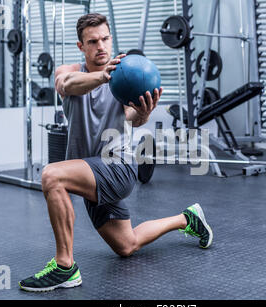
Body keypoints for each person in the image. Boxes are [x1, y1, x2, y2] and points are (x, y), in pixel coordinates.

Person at [18, 13, 213, 292]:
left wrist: (144, 112)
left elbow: (132, 118)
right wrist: (101, 76)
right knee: (127, 245)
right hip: (90, 170)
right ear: (81, 46)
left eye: (105, 39)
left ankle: (65, 268)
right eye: (93, 41)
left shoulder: (125, 75)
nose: (101, 46)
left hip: (117, 166)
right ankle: (188, 218)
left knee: (52, 175)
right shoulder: (69, 71)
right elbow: (67, 85)